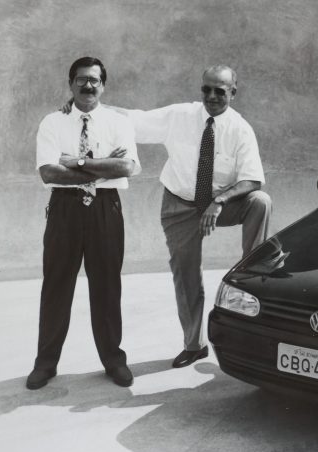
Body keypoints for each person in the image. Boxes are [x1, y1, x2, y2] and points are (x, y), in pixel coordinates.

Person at [63, 65, 271, 367]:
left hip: (220, 204)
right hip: (180, 205)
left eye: (220, 91)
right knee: (186, 275)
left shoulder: (240, 130)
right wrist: (88, 106)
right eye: (207, 89)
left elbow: (253, 179)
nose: (212, 96)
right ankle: (194, 345)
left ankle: (251, 275)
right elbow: (134, 118)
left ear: (233, 93)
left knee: (260, 202)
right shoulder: (180, 116)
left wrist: (219, 201)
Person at [28, 57, 141, 390]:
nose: (88, 85)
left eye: (94, 80)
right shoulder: (53, 122)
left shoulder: (118, 123)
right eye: (81, 79)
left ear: (103, 85)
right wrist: (102, 166)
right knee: (56, 286)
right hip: (64, 209)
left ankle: (113, 360)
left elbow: (127, 167)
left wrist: (75, 162)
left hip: (106, 209)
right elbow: (49, 172)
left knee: (107, 287)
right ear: (71, 84)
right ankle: (45, 363)